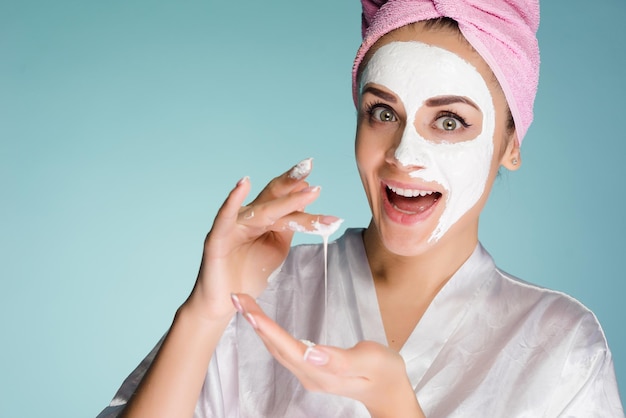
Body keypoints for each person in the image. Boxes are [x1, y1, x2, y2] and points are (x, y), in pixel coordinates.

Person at [98, 0, 624, 417]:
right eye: (382, 112)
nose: (402, 156)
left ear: (511, 145)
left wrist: (395, 407)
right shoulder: (259, 295)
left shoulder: (561, 349)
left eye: (448, 122)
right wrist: (205, 313)